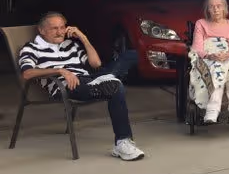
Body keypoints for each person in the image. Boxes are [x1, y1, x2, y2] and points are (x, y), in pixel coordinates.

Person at [18, 11, 145, 161]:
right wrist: (59, 70)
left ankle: (107, 79)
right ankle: (122, 142)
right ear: (42, 30)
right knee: (115, 86)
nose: (60, 32)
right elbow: (27, 74)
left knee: (131, 55)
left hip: (88, 78)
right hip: (66, 86)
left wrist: (83, 39)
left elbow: (95, 64)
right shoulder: (32, 48)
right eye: (54, 28)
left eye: (62, 27)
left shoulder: (70, 45)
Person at [190, 0, 229, 123]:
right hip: (207, 56)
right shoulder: (201, 23)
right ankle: (212, 110)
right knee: (218, 68)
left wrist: (226, 55)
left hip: (228, 55)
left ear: (224, 8)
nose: (215, 9)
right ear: (207, 9)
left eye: (218, 6)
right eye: (211, 6)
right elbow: (197, 48)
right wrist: (210, 55)